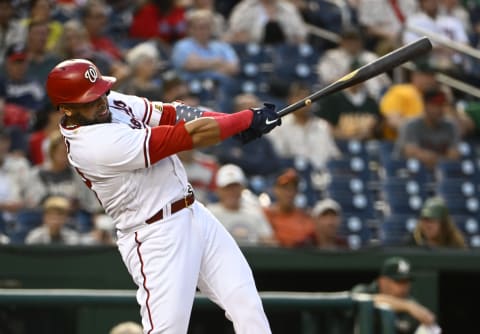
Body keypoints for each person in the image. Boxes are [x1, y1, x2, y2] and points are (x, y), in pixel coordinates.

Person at [45, 58, 281, 333]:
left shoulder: (107, 103)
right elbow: (184, 137)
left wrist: (234, 123)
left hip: (194, 212)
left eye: (100, 93)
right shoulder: (93, 146)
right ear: (66, 109)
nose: (100, 102)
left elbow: (173, 114)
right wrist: (246, 119)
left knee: (247, 305)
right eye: (89, 100)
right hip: (156, 234)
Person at [351, 256, 440, 334]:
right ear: (383, 282)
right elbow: (363, 299)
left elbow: (428, 321)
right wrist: (407, 306)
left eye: (407, 282)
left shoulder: (411, 303)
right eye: (399, 282)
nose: (404, 287)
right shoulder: (364, 290)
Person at [207, 164, 277, 246]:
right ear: (219, 190)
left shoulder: (255, 213)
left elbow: (270, 242)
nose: (232, 192)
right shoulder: (210, 213)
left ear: (242, 188)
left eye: (235, 187)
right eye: (227, 188)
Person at [394, 88, 460, 170]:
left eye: (441, 105)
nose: (439, 109)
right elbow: (410, 152)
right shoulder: (411, 125)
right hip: (410, 172)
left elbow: (454, 156)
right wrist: (440, 158)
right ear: (425, 105)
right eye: (434, 105)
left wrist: (431, 158)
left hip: (441, 173)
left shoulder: (450, 126)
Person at [316, 28, 391, 101]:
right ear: (342, 41)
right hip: (342, 99)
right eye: (348, 40)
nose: (352, 43)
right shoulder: (331, 56)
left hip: (374, 98)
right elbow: (325, 79)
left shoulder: (370, 57)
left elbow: (385, 81)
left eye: (355, 40)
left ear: (361, 41)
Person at [380, 60, 438, 140]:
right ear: (415, 75)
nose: (431, 79)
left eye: (433, 75)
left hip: (429, 143)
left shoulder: (436, 96)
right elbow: (393, 122)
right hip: (397, 143)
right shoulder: (400, 91)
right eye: (427, 75)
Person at [263, 168, 317, 247]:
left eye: (293, 189)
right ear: (275, 190)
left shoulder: (305, 216)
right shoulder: (265, 215)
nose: (289, 193)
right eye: (285, 188)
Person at [225, 0, 308, 44]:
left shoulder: (289, 9)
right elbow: (236, 37)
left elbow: (301, 39)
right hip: (254, 53)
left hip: (284, 56)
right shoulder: (244, 8)